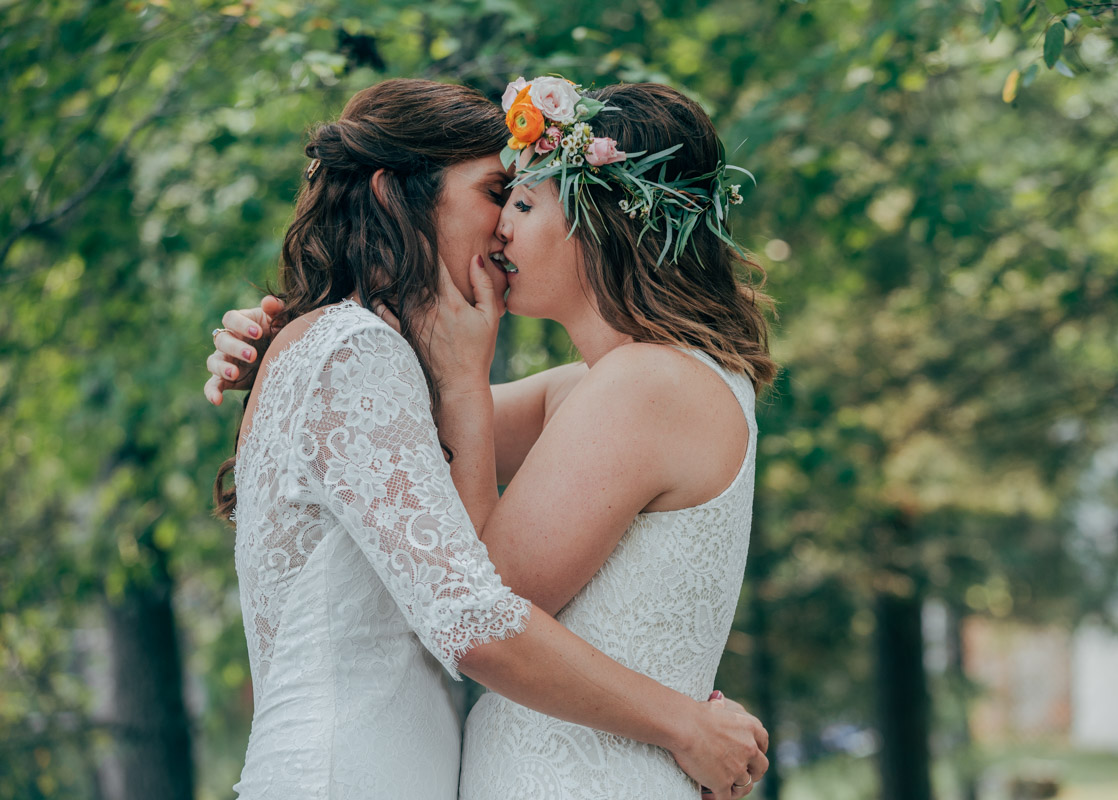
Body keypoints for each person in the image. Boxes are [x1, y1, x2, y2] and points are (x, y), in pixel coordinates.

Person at [209, 77, 767, 800]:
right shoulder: (601, 383)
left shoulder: (644, 383)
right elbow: (470, 582)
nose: (504, 223)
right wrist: (285, 364)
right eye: (498, 194)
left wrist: (449, 376)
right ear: (391, 195)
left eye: (525, 200)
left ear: (598, 222)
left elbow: (486, 599)